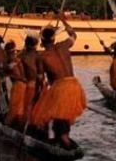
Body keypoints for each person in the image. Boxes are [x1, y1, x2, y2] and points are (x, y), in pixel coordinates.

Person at [30, 17, 87, 148]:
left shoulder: (42, 57)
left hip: (60, 86)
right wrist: (63, 20)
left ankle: (59, 139)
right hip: (74, 85)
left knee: (51, 113)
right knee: (63, 114)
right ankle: (62, 137)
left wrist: (37, 97)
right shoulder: (64, 45)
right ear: (53, 39)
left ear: (42, 42)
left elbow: (40, 79)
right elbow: (73, 34)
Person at [6, 35, 40, 128]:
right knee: (29, 107)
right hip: (36, 84)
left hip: (28, 85)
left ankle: (24, 125)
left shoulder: (21, 57)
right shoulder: (36, 56)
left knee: (25, 107)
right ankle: (29, 124)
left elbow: (14, 69)